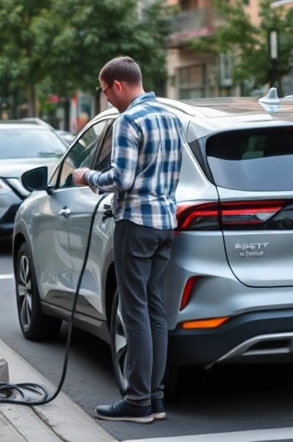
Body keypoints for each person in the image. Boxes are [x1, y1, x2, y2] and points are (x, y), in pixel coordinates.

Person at [73, 56, 181, 424]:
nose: (106, 100)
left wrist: (86, 175)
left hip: (135, 224)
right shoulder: (171, 117)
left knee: (133, 312)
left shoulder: (129, 120)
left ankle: (137, 402)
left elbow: (122, 178)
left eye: (105, 91)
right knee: (155, 311)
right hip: (165, 224)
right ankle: (155, 397)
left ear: (117, 85)